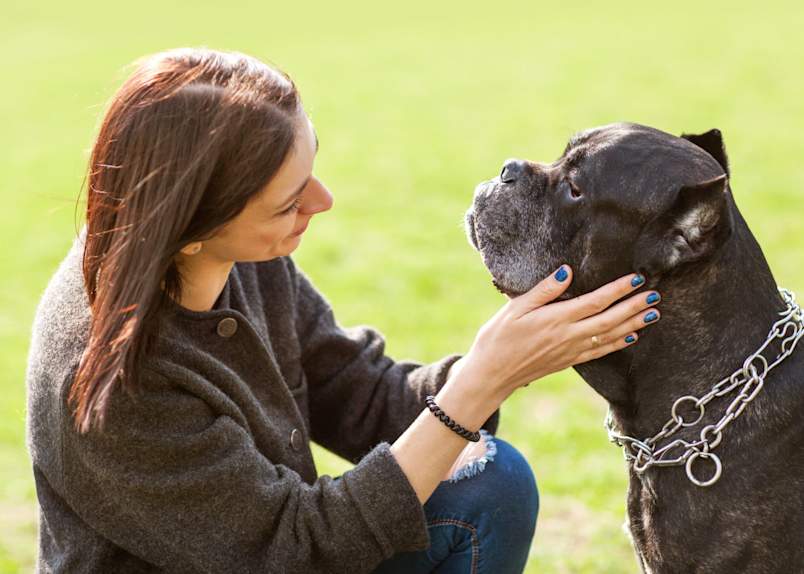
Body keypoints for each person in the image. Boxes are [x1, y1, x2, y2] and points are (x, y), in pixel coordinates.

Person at [24, 47, 662, 574]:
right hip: (285, 557)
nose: (322, 201)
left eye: (311, 167)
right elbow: (298, 548)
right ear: (189, 227)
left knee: (492, 485)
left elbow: (354, 392)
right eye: (287, 202)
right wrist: (480, 382)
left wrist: (515, 354)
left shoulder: (225, 255)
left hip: (289, 550)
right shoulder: (113, 384)